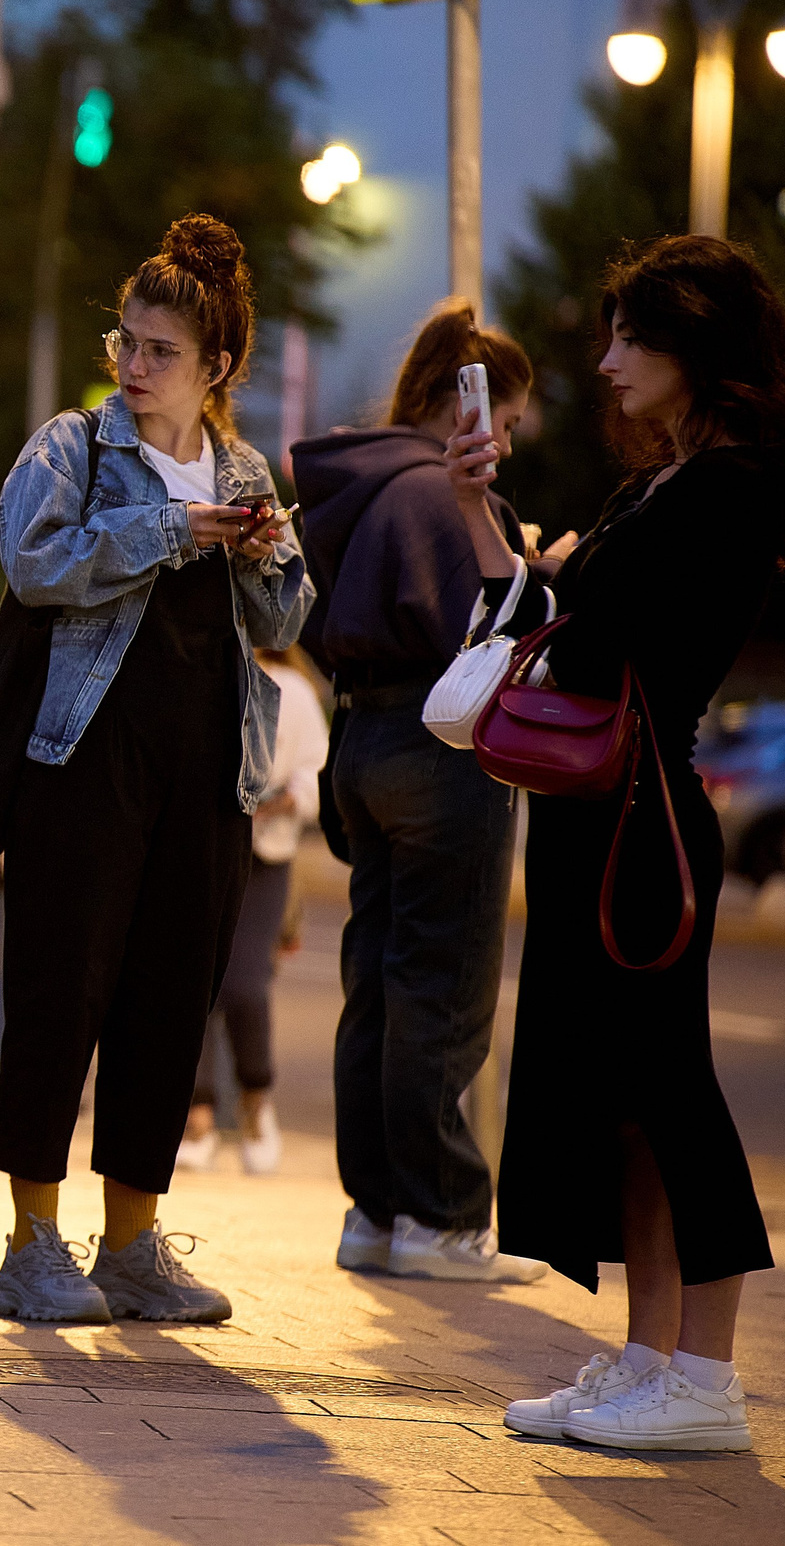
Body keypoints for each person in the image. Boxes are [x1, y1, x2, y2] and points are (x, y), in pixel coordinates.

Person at [449, 235, 785, 1453]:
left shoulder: (733, 486)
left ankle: (705, 1378)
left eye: (630, 339)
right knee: (614, 1099)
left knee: (668, 1092)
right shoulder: (670, 480)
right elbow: (572, 610)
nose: (606, 361)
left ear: (694, 351)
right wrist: (500, 522)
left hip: (642, 822)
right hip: (595, 816)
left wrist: (564, 577)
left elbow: (602, 640)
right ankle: (647, 1358)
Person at [0, 214, 310, 1325]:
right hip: (82, 761)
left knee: (172, 1002)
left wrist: (262, 553)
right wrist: (170, 528)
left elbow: (287, 613)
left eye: (161, 351)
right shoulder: (73, 446)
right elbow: (32, 565)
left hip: (209, 767)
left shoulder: (244, 464)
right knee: (59, 994)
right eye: (127, 341)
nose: (135, 364)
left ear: (218, 367)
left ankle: (130, 1243)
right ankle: (29, 1245)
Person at [292, 300, 550, 1279]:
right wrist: (540, 566)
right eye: (507, 421)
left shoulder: (360, 486)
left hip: (360, 737)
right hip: (441, 748)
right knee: (439, 989)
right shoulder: (443, 495)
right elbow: (484, 627)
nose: (507, 446)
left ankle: (375, 1212)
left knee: (379, 983)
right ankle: (440, 1219)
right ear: (465, 403)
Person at [174, 644, 323, 1176]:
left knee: (244, 984)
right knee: (194, 981)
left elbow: (311, 781)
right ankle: (196, 1116)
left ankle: (256, 1101)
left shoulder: (296, 689)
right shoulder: (205, 662)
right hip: (200, 845)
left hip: (266, 852)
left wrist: (277, 800)